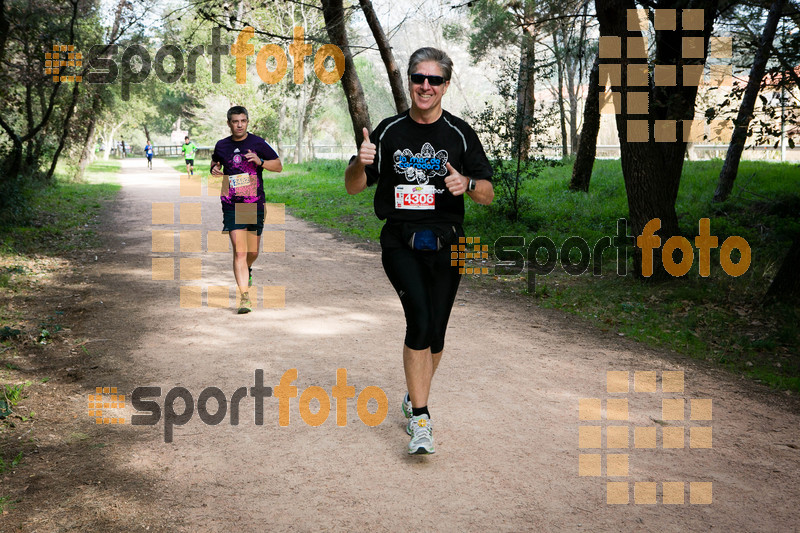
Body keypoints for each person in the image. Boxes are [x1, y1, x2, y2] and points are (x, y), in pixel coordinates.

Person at [344, 47, 494, 455]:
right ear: (410, 81)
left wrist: (469, 184)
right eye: (418, 78)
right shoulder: (389, 131)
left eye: (434, 80)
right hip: (400, 240)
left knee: (438, 332)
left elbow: (489, 193)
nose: (425, 86)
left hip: (450, 240)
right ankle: (422, 418)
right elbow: (354, 186)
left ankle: (414, 395)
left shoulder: (460, 133)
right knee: (420, 321)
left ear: (445, 85)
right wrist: (360, 163)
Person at [210, 106, 282, 314]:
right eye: (235, 121)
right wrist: (214, 169)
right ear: (229, 123)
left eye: (242, 121)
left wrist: (261, 162)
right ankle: (244, 297)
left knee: (252, 251)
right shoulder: (222, 145)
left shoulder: (257, 143)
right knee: (239, 251)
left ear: (247, 122)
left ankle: (247, 269)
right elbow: (216, 163)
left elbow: (278, 165)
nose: (239, 125)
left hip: (253, 202)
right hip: (232, 203)